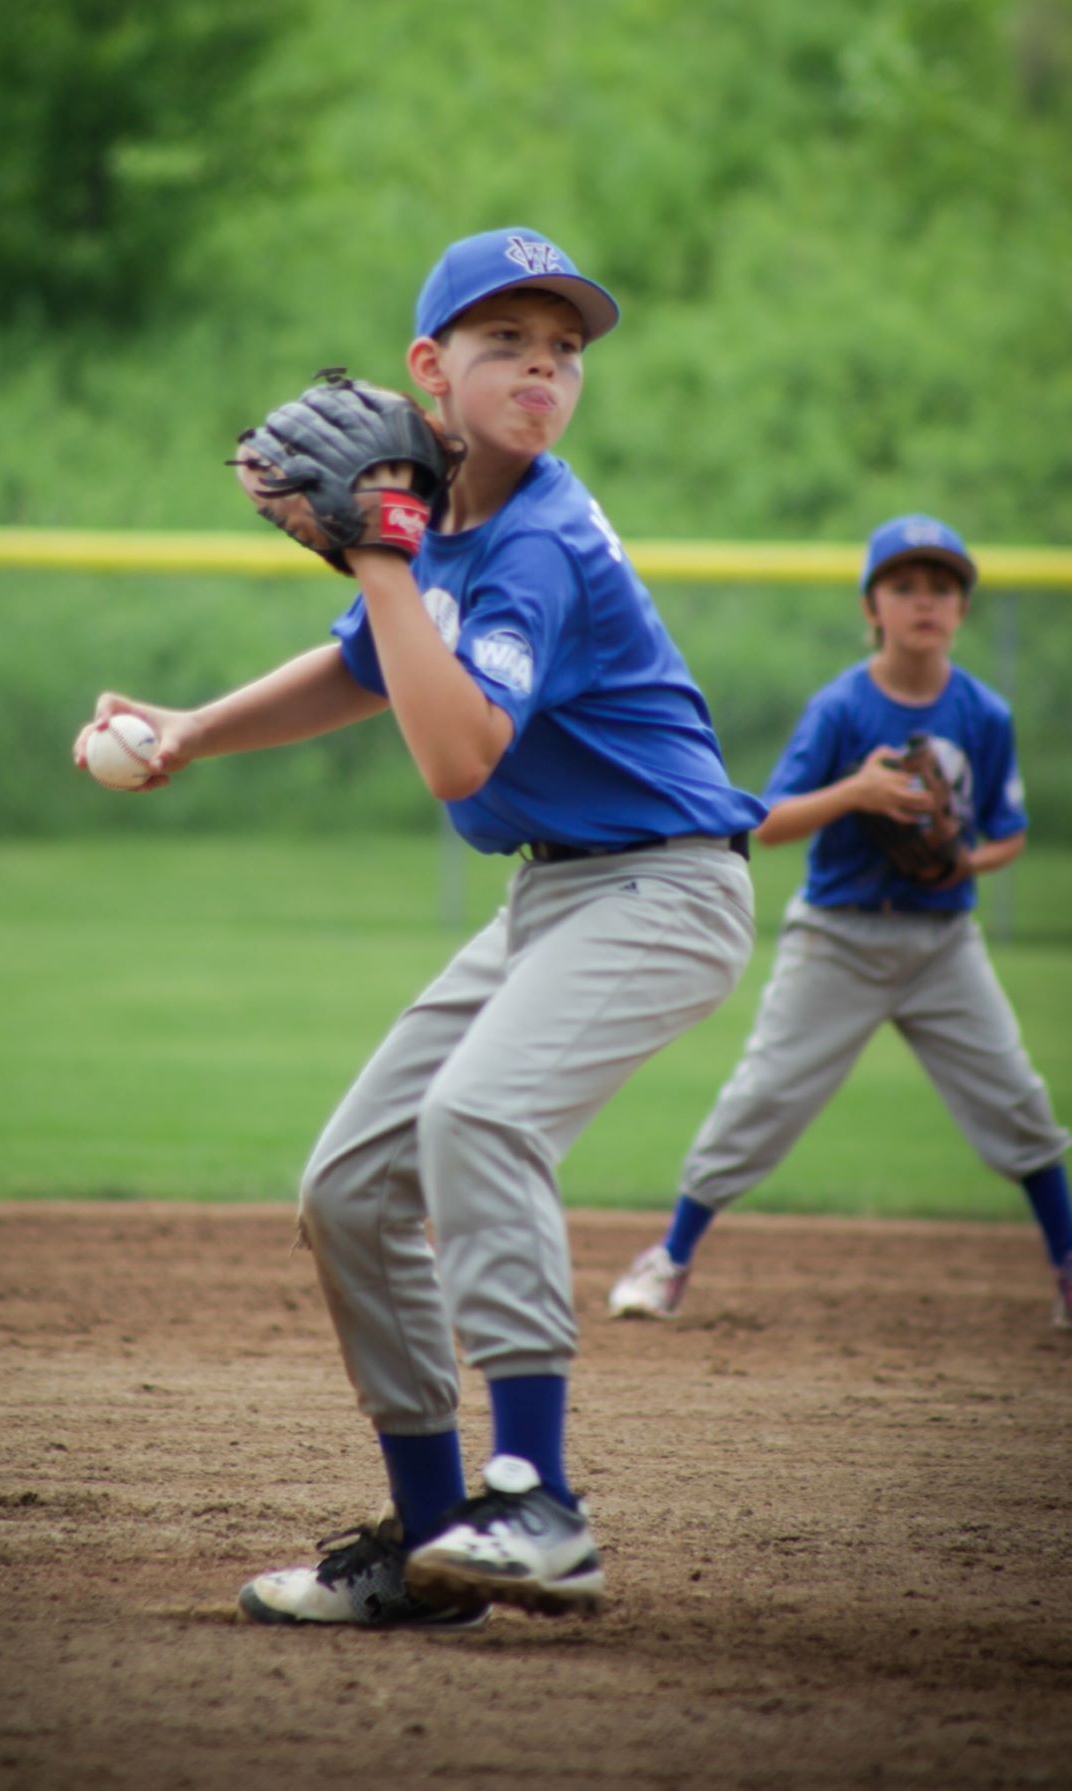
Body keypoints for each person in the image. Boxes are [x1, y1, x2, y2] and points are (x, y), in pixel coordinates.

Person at [74, 227, 765, 1627]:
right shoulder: (439, 523)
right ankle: (435, 1534)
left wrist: (380, 561)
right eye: (507, 341)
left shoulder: (537, 540)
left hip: (664, 885)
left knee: (477, 1119)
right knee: (349, 1183)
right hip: (555, 892)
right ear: (426, 367)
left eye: (564, 349)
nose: (542, 369)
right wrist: (192, 733)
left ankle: (540, 1503)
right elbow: (359, 666)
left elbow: (455, 753)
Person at [609, 514, 1072, 1332]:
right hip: (839, 939)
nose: (924, 602)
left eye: (942, 588)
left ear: (962, 609)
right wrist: (856, 793)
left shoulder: (985, 714)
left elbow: (1008, 834)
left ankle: (1066, 1267)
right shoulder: (842, 708)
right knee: (763, 1098)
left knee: (1017, 1104)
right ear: (873, 607)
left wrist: (965, 862)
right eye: (904, 586)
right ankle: (670, 1259)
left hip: (942, 944)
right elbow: (772, 820)